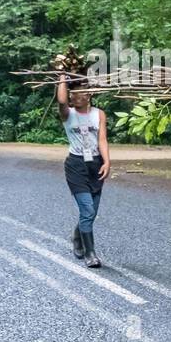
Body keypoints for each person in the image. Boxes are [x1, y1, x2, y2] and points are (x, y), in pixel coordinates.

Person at [55, 73, 110, 268]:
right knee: (87, 209)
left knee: (92, 212)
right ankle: (90, 253)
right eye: (72, 94)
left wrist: (107, 161)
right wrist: (62, 77)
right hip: (76, 166)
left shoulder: (99, 114)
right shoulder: (68, 114)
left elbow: (102, 139)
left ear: (88, 95)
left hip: (95, 164)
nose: (73, 97)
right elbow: (61, 100)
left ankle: (77, 237)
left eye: (78, 94)